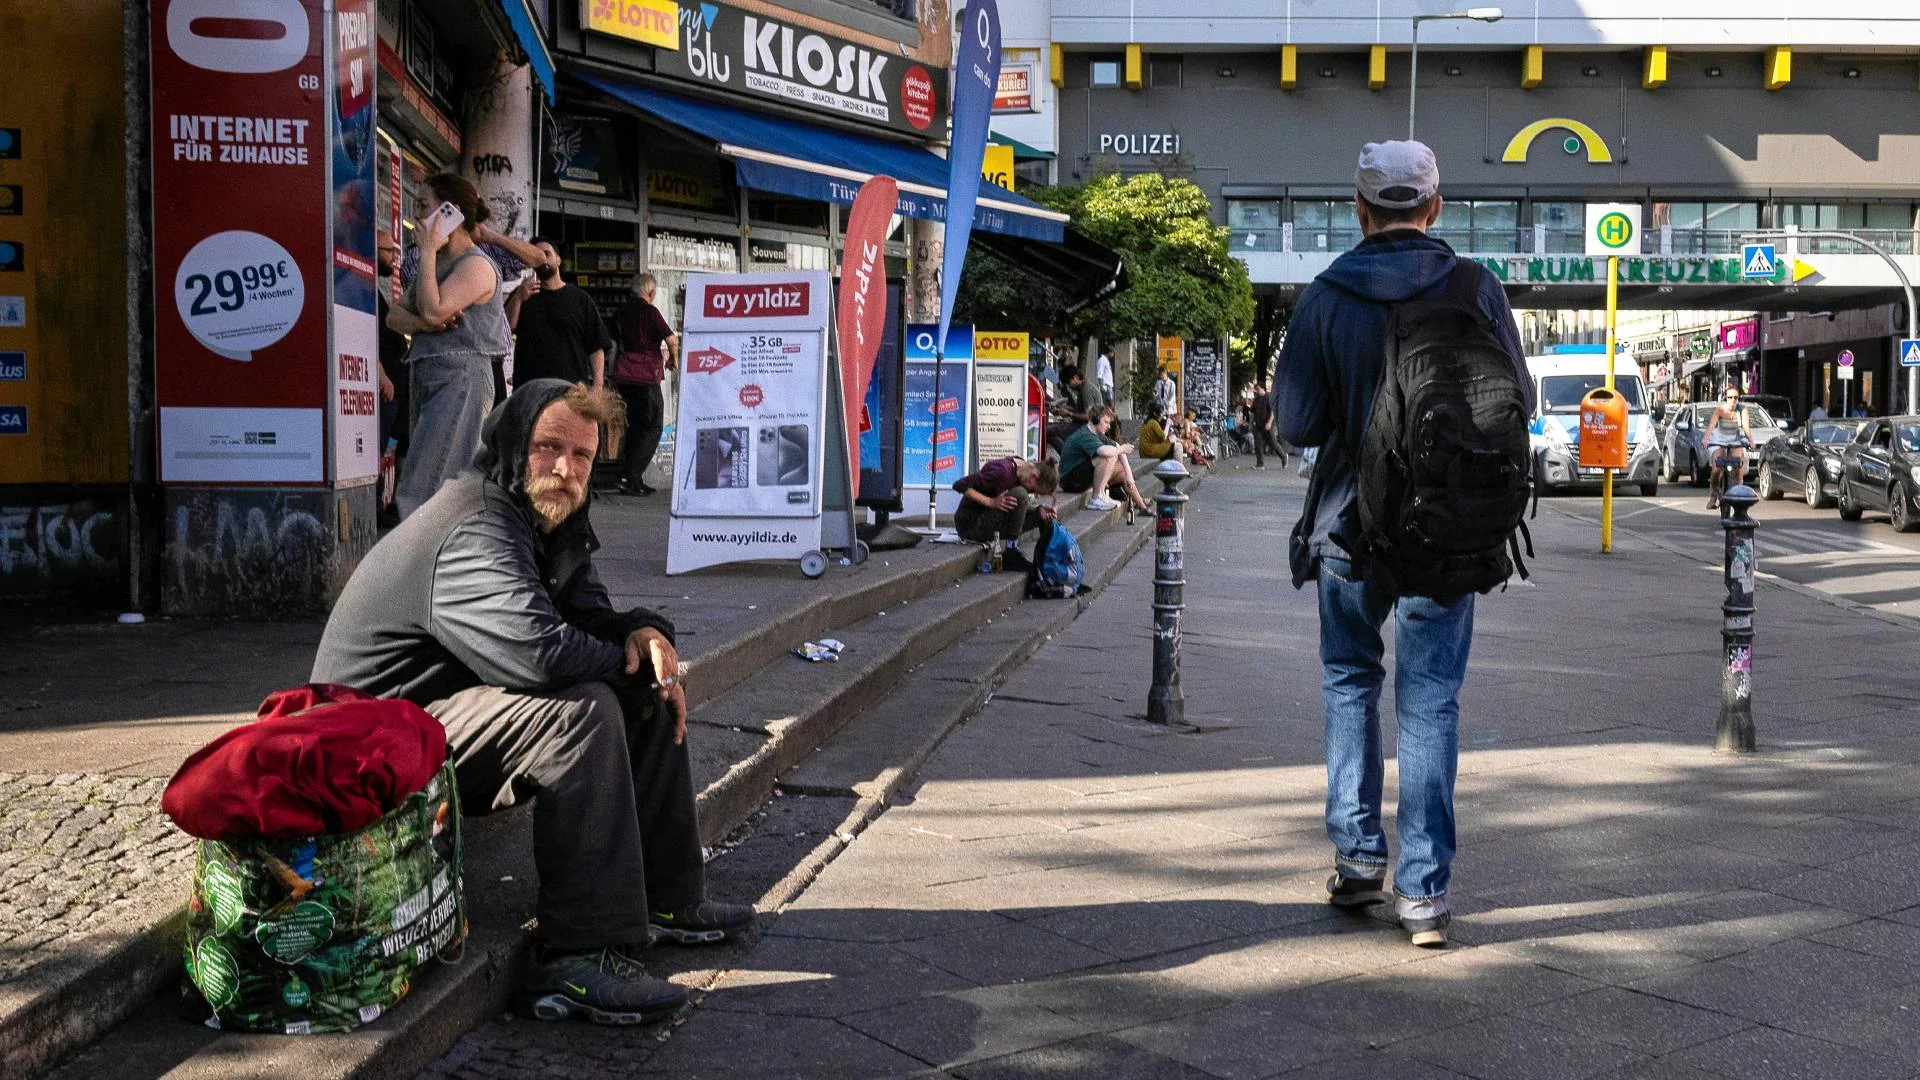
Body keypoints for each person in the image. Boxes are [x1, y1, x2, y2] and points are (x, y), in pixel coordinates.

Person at [312, 380, 753, 1024]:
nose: (565, 469)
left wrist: (644, 634)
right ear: (514, 445)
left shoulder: (548, 514)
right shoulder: (475, 521)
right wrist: (630, 669)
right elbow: (536, 654)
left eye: (581, 456)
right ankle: (573, 958)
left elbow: (591, 618)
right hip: (370, 737)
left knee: (645, 691)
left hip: (442, 714)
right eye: (549, 448)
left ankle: (667, 898)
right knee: (582, 714)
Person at [1272, 139, 1531, 949]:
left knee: (1351, 681)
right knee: (1430, 701)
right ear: (1435, 207)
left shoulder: (1326, 295)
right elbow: (1517, 399)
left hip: (1349, 528)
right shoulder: (1476, 288)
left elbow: (1295, 423)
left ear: (1359, 210)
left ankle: (1358, 860)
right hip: (1445, 529)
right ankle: (1423, 893)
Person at [389, 173, 514, 520]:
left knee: (428, 480)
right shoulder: (438, 265)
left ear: (450, 213)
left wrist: (428, 250)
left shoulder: (476, 265)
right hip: (428, 370)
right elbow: (395, 316)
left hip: (460, 375)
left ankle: (422, 548)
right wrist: (424, 325)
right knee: (428, 470)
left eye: (423, 206)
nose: (417, 216)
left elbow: (433, 308)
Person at [511, 239, 613, 391]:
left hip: (572, 391)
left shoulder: (580, 299)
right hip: (530, 391)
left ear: (558, 260)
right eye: (536, 255)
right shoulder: (523, 294)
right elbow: (505, 329)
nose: (542, 259)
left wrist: (598, 385)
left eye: (547, 254)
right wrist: (518, 298)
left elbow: (596, 345)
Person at [612, 273, 679, 496]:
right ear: (650, 292)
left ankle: (632, 477)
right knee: (652, 426)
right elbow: (671, 339)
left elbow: (612, 344)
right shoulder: (650, 312)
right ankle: (630, 477)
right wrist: (673, 359)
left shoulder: (621, 312)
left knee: (635, 426)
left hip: (625, 376)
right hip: (646, 378)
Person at [951, 457, 1058, 570]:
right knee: (1020, 494)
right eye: (1034, 490)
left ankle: (1047, 560)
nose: (1036, 495)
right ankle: (1011, 551)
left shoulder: (1022, 471)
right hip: (970, 526)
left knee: (1041, 514)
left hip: (989, 519)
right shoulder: (1002, 471)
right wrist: (990, 502)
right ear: (1034, 476)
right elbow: (960, 484)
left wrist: (1038, 509)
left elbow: (1011, 505)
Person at [376, 233, 411, 528]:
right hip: (385, 386)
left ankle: (392, 506)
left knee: (401, 444)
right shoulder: (363, 287)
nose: (393, 257)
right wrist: (381, 373)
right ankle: (377, 507)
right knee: (377, 447)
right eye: (389, 250)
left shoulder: (376, 289)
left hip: (398, 385)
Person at [1058, 407, 1149, 512]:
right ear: (1095, 419)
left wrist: (1129, 475)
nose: (1109, 426)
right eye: (1106, 422)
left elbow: (1116, 445)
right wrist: (1121, 449)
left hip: (1079, 476)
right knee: (1109, 456)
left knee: (1121, 471)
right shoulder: (1085, 434)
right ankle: (1097, 498)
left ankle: (1142, 506)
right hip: (1070, 481)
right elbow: (1105, 452)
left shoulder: (1096, 433)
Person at [1705, 385, 1754, 509]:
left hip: (1735, 441)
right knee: (1716, 469)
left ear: (1739, 399)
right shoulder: (1720, 410)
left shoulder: (1742, 410)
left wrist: (1751, 441)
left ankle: (1739, 498)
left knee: (1738, 466)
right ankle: (1713, 497)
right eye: (1730, 397)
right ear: (1725, 398)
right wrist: (1706, 438)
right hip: (1719, 441)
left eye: (1736, 398)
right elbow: (1712, 425)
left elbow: (1746, 427)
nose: (1733, 400)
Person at [1251, 381, 1288, 469]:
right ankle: (1260, 464)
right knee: (1258, 444)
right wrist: (1251, 423)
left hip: (1267, 424)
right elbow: (1252, 412)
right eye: (1255, 389)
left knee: (1273, 443)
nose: (1256, 391)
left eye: (1258, 389)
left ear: (1262, 388)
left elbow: (1273, 411)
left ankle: (1283, 457)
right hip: (1257, 425)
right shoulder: (1256, 400)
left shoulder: (1269, 398)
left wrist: (1269, 422)